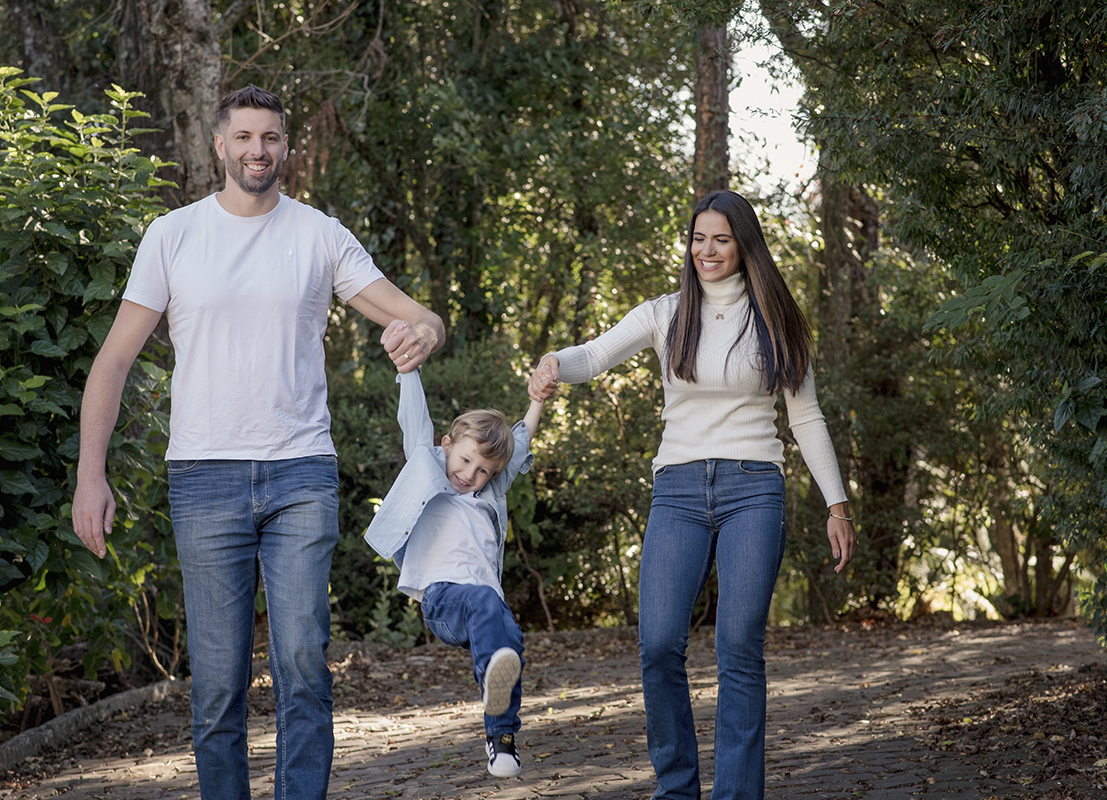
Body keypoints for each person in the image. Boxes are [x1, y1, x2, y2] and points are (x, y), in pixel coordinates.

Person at [71, 85, 444, 800]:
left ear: (285, 146)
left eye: (270, 138)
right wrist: (92, 473)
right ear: (219, 145)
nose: (258, 151)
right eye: (244, 137)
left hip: (300, 472)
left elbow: (419, 315)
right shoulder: (172, 235)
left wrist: (421, 334)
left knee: (304, 662)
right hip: (204, 478)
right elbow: (112, 362)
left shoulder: (318, 235)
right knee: (216, 686)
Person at [527, 190, 857, 800]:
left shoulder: (777, 319)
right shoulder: (666, 313)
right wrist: (553, 362)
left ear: (744, 244)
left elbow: (806, 417)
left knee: (737, 645)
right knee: (657, 643)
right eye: (698, 238)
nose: (707, 250)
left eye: (721, 239)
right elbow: (595, 355)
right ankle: (676, 789)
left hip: (754, 488)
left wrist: (836, 504)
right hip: (677, 490)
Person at [364, 367, 549, 778]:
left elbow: (519, 447)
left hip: (485, 605)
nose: (469, 475)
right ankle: (491, 680)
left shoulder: (489, 494)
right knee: (486, 607)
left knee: (511, 642)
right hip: (444, 599)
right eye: (465, 460)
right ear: (446, 445)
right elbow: (415, 418)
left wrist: (537, 399)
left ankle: (501, 741)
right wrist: (408, 369)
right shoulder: (426, 469)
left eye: (483, 471)